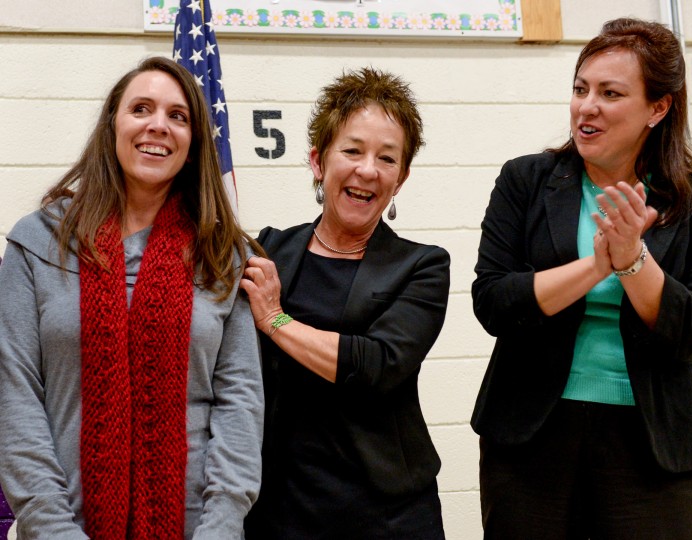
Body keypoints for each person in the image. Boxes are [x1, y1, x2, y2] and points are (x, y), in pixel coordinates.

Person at [471, 17, 692, 540]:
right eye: (581, 89)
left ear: (659, 107)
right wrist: (598, 266)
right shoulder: (526, 180)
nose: (587, 107)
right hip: (532, 436)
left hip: (654, 443)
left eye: (610, 93)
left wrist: (632, 259)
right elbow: (494, 302)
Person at [0, 56, 265, 539]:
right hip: (59, 526)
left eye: (178, 116)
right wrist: (52, 527)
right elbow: (14, 395)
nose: (158, 126)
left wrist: (221, 527)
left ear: (193, 143)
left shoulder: (221, 254)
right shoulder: (36, 242)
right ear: (113, 126)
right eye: (141, 108)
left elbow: (240, 403)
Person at [241, 67, 450, 539]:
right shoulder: (270, 250)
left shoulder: (423, 267)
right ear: (318, 161)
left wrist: (275, 319)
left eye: (387, 159)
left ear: (401, 178)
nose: (368, 170)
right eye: (352, 150)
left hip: (388, 514)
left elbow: (378, 365)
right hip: (280, 509)